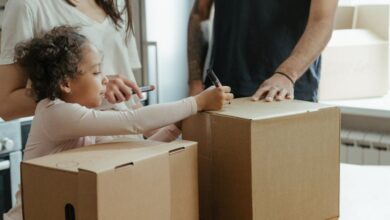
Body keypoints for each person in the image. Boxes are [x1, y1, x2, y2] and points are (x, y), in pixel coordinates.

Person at [3, 25, 233, 220]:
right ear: (65, 84)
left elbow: (128, 155)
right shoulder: (55, 113)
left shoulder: (80, 117)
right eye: (95, 72)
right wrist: (196, 102)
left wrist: (175, 127)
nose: (105, 79)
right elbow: (132, 121)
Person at [0, 0, 142, 121]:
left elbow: (128, 94)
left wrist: (152, 126)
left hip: (129, 138)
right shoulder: (26, 5)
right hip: (77, 146)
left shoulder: (116, 2)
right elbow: (6, 106)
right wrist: (87, 88)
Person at [188, 0, 338, 102]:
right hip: (222, 93)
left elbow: (322, 21)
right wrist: (195, 82)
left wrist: (286, 74)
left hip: (285, 94)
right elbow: (199, 15)